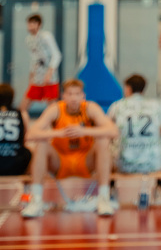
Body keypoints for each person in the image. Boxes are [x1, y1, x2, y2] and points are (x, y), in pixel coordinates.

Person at [21, 78, 118, 218]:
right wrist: (59, 133)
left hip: (85, 161)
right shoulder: (56, 109)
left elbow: (113, 131)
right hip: (60, 161)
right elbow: (30, 134)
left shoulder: (90, 108)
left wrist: (84, 131)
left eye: (77, 94)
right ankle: (36, 200)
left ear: (83, 96)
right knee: (41, 143)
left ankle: (104, 198)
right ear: (64, 96)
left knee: (103, 141)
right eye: (70, 94)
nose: (74, 98)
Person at [107, 74, 161, 177]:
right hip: (153, 163)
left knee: (108, 140)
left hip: (123, 163)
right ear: (143, 89)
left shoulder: (117, 106)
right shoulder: (156, 105)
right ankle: (160, 182)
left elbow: (107, 130)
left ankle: (111, 183)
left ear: (128, 88)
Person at [21, 14, 62, 112]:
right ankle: (21, 119)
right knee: (26, 102)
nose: (30, 26)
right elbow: (33, 57)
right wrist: (31, 74)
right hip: (37, 75)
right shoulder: (28, 39)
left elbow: (57, 55)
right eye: (29, 24)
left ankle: (55, 121)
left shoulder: (46, 36)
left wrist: (50, 72)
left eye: (33, 23)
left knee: (51, 103)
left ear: (38, 24)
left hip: (49, 75)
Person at [0, 83, 32, 176]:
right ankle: (29, 179)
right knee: (29, 151)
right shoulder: (21, 114)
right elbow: (25, 139)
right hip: (16, 166)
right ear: (12, 98)